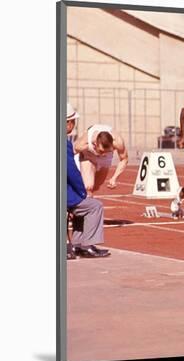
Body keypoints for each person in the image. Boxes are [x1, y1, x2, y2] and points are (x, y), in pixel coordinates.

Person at [66, 103, 110, 259]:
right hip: (64, 195)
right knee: (94, 206)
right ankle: (87, 245)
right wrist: (83, 192)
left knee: (82, 206)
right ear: (67, 123)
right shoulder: (63, 143)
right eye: (72, 121)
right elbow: (71, 172)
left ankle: (77, 244)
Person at [73, 123, 128, 197]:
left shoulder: (118, 142)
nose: (103, 153)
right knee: (88, 187)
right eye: (101, 151)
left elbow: (124, 159)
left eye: (107, 151)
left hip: (105, 160)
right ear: (95, 144)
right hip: (88, 156)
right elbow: (68, 154)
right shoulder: (84, 142)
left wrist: (114, 178)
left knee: (96, 186)